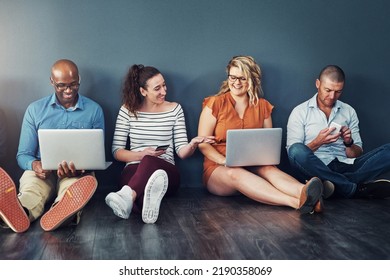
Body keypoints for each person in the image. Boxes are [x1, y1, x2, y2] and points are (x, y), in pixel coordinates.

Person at [197, 55, 324, 214]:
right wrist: (224, 161)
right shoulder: (214, 103)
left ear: (252, 80)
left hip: (253, 165)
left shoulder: (262, 106)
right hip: (219, 170)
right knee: (235, 172)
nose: (237, 83)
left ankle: (305, 192)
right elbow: (202, 144)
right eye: (233, 77)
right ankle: (296, 202)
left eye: (243, 78)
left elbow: (267, 145)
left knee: (269, 169)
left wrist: (263, 161)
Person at [0, 59, 104, 233]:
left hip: (77, 171)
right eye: (61, 86)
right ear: (52, 82)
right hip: (42, 171)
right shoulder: (35, 110)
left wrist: (82, 168)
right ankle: (21, 211)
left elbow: (97, 156)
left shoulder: (94, 110)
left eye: (73, 85)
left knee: (71, 190)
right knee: (31, 190)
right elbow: (23, 154)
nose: (68, 90)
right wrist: (35, 165)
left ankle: (63, 212)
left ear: (79, 79)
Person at [105, 64, 214, 224]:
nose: (164, 91)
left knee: (149, 162)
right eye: (157, 88)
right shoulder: (127, 111)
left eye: (164, 85)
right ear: (143, 91)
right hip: (134, 169)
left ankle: (127, 196)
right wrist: (141, 154)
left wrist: (193, 144)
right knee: (140, 172)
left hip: (167, 174)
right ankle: (143, 205)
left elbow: (181, 152)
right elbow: (117, 151)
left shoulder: (175, 109)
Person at [287, 65, 390, 199]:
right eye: (328, 90)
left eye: (338, 92)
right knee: (296, 150)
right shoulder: (300, 112)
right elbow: (293, 155)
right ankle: (352, 188)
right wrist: (318, 142)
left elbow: (356, 154)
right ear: (318, 83)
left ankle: (335, 184)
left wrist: (349, 143)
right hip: (316, 168)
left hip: (345, 165)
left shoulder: (349, 111)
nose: (332, 96)